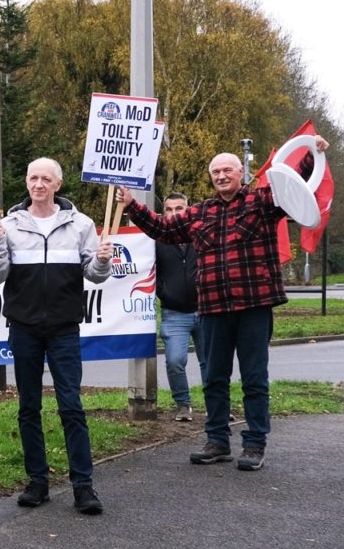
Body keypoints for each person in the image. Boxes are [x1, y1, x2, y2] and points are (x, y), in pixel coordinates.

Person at [117, 137, 329, 472]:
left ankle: (255, 444)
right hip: (213, 308)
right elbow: (162, 228)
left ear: (241, 172)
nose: (221, 175)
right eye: (215, 171)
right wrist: (132, 203)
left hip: (254, 306)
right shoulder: (200, 212)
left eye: (227, 169)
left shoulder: (264, 201)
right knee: (214, 377)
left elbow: (296, 182)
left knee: (254, 379)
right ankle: (217, 440)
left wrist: (313, 152)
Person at [0, 158, 113, 515]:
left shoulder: (81, 224)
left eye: (46, 179)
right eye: (33, 178)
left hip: (64, 329)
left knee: (71, 406)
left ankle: (83, 486)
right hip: (23, 328)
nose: (38, 184)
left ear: (58, 184)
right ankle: (37, 481)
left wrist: (102, 261)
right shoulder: (8, 225)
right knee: (29, 407)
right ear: (26, 182)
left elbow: (95, 274)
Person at [154, 192, 203, 422]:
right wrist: (163, 292)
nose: (174, 213)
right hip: (173, 312)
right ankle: (183, 404)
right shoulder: (157, 239)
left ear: (188, 210)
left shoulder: (201, 234)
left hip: (206, 309)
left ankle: (218, 406)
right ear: (164, 213)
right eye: (170, 209)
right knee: (174, 360)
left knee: (212, 362)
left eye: (179, 208)